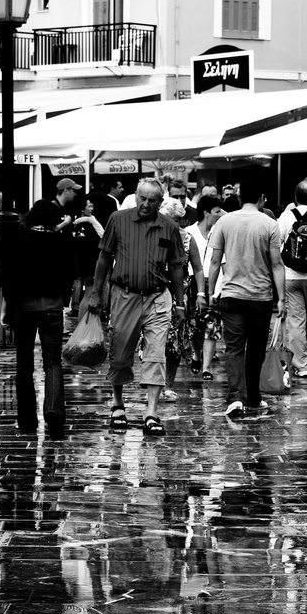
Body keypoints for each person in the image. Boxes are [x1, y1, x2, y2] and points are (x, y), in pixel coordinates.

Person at [88, 178, 185, 436]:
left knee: (156, 354)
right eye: (142, 198)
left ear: (160, 202)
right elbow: (104, 258)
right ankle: (118, 404)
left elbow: (176, 266)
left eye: (152, 200)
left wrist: (180, 303)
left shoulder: (169, 227)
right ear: (136, 196)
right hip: (124, 295)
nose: (146, 204)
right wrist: (97, 294)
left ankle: (151, 413)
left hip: (157, 296)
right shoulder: (117, 220)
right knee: (120, 353)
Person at [207, 174, 287, 420]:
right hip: (260, 296)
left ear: (240, 197)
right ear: (262, 198)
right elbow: (277, 265)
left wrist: (210, 292)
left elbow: (214, 261)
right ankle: (252, 395)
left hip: (231, 294)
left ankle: (236, 398)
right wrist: (281, 298)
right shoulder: (269, 224)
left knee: (233, 348)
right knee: (256, 349)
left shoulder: (224, 222)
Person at [7, 181, 81, 439]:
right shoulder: (60, 242)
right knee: (52, 363)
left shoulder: (19, 240)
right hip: (51, 308)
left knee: (24, 364)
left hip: (24, 310)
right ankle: (53, 410)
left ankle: (27, 419)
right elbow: (71, 276)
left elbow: (9, 278)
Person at [277, 179, 307, 379]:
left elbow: (277, 241)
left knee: (295, 321)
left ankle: (302, 366)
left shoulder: (287, 216)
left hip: (290, 276)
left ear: (295, 197)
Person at [158, 195, 206, 400]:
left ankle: (167, 384)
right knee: (154, 341)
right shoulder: (154, 236)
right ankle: (155, 382)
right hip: (156, 292)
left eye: (175, 220)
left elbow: (197, 268)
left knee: (174, 342)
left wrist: (201, 294)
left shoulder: (187, 238)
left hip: (180, 295)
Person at [184, 195, 225, 378]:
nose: (219, 214)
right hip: (193, 282)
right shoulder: (189, 232)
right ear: (206, 212)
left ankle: (206, 367)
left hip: (215, 282)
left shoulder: (221, 231)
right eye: (216, 211)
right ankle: (196, 354)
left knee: (212, 325)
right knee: (194, 326)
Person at [72, 195, 104, 318]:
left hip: (83, 261)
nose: (92, 208)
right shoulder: (87, 224)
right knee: (89, 294)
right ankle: (83, 326)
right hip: (89, 261)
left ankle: (83, 325)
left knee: (88, 293)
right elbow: (99, 239)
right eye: (89, 206)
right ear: (82, 209)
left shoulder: (78, 223)